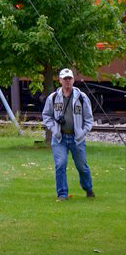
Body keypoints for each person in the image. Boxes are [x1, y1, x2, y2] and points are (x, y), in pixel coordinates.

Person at [42, 68, 95, 201]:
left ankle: (88, 188)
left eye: (69, 78)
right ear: (60, 80)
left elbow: (89, 119)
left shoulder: (82, 98)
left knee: (82, 166)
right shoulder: (53, 98)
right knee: (60, 164)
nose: (67, 81)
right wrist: (54, 129)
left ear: (73, 80)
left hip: (77, 139)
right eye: (64, 79)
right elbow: (46, 116)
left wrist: (82, 133)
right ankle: (62, 194)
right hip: (59, 138)